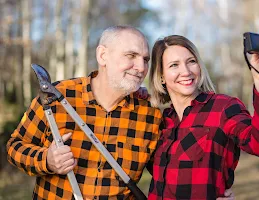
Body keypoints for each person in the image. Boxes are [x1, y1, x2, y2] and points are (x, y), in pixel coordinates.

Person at [6, 25, 234, 200]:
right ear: (103, 55)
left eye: (145, 60)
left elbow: (169, 174)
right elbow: (15, 147)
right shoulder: (58, 97)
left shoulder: (151, 115)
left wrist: (212, 193)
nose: (141, 67)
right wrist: (47, 160)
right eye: (131, 56)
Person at [147, 33, 259, 200]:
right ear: (161, 76)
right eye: (174, 65)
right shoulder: (160, 121)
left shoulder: (223, 108)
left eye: (191, 62)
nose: (186, 71)